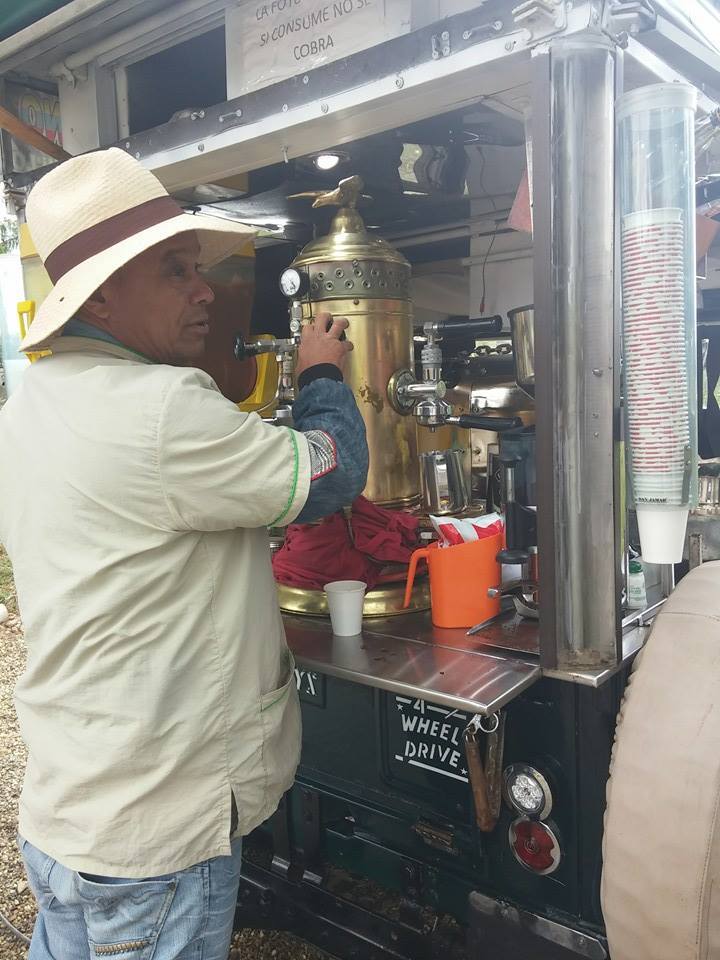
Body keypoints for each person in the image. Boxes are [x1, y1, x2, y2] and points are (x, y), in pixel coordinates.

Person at [0, 147, 368, 960]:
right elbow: (334, 473)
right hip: (158, 835)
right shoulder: (164, 408)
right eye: (175, 270)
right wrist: (321, 376)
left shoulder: (28, 407)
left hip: (67, 812)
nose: (204, 290)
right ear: (99, 294)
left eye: (196, 267)